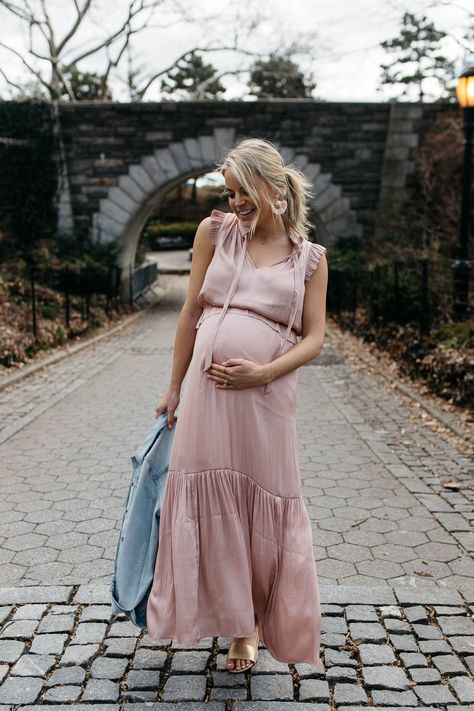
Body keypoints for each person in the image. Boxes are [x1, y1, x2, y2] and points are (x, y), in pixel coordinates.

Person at [147, 137, 328, 673]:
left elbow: (315, 337)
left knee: (259, 509)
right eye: (228, 194)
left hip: (265, 403)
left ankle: (249, 629)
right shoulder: (214, 233)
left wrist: (263, 372)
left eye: (243, 192)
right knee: (207, 500)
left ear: (273, 187)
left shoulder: (309, 260)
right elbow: (187, 313)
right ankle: (226, 617)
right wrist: (173, 387)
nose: (235, 204)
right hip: (206, 400)